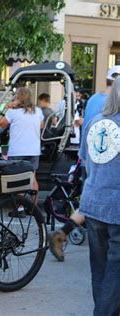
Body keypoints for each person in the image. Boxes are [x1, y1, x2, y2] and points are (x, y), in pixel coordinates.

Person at [49, 65, 120, 262]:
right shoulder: (111, 105)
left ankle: (63, 232)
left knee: (89, 199)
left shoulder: (93, 100)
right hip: (108, 169)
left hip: (90, 158)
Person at [77, 76, 120, 316]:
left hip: (93, 203)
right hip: (116, 208)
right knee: (115, 270)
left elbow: (86, 161)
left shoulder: (94, 121)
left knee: (99, 269)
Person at [0, 88, 44, 201]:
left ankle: (20, 209)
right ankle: (33, 209)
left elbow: (1, 124)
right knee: (32, 178)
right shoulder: (38, 111)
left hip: (17, 151)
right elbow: (41, 126)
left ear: (18, 98)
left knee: (19, 180)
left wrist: (8, 108)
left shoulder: (13, 112)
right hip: (33, 151)